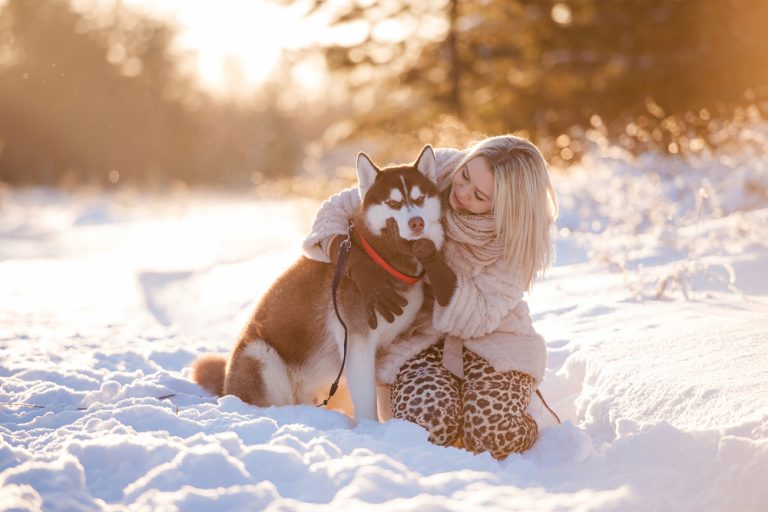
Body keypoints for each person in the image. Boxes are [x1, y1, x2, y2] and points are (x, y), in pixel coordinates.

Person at [302, 134, 557, 460]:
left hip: (494, 342)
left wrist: (435, 264)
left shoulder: (518, 240)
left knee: (494, 435)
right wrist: (349, 258)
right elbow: (341, 206)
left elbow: (477, 318)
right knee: (425, 431)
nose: (461, 193)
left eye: (479, 195)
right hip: (417, 338)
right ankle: (449, 404)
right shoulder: (438, 172)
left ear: (506, 206)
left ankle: (507, 404)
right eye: (466, 176)